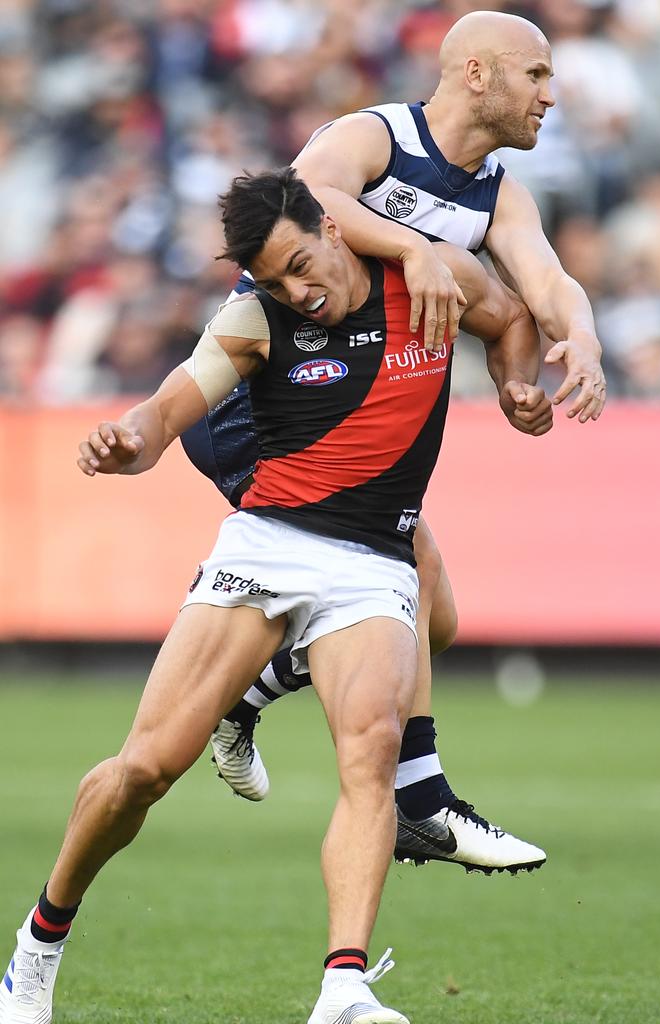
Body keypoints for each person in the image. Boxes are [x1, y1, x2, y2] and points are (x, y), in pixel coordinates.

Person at [0, 168, 548, 1024]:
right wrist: (126, 441)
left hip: (374, 561)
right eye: (275, 279)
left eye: (301, 263)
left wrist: (520, 388)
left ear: (335, 230)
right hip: (269, 549)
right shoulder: (257, 320)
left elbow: (512, 317)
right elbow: (166, 411)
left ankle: (342, 989)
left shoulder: (432, 278)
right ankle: (38, 943)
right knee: (144, 770)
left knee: (369, 757)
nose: (300, 290)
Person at [193, 10, 606, 872]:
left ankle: (246, 693)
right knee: (402, 576)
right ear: (478, 75)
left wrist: (554, 360)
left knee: (435, 619)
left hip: (350, 422)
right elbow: (306, 198)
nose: (551, 94)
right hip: (265, 401)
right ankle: (422, 798)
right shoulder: (374, 135)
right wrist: (418, 252)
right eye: (536, 75)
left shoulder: (500, 194)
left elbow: (543, 286)